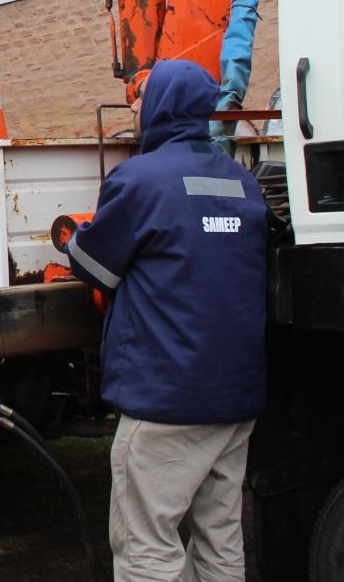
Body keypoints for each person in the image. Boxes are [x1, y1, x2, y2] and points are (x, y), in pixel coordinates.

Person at [64, 59, 269, 582]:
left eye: (141, 97)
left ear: (163, 105)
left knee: (146, 547)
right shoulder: (243, 182)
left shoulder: (139, 179)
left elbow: (94, 266)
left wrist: (72, 238)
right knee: (221, 539)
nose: (135, 107)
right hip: (235, 401)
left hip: (166, 400)